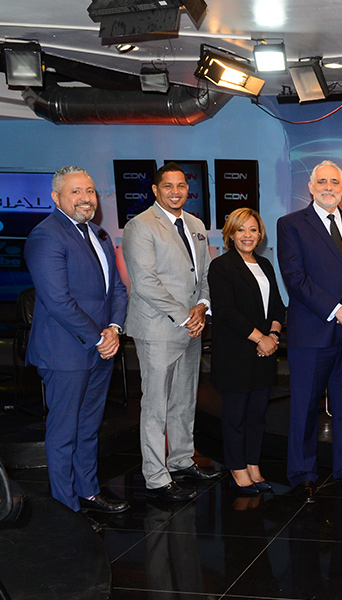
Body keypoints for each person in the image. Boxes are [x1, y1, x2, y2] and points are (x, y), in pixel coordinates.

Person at [24, 165, 129, 515]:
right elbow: (57, 301)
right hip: (65, 352)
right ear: (56, 198)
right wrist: (98, 337)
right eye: (76, 192)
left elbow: (116, 289)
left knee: (88, 428)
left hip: (101, 348)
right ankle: (65, 511)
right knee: (64, 433)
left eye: (90, 191)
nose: (86, 198)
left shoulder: (99, 233)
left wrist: (114, 328)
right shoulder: (46, 236)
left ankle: (88, 492)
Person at [277, 160, 342, 501]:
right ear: (310, 188)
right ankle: (302, 473)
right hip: (312, 333)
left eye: (334, 182)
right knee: (305, 407)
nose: (328, 187)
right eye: (321, 182)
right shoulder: (291, 224)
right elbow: (295, 279)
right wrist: (338, 311)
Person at [123, 162, 218, 502]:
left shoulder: (195, 225)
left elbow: (204, 273)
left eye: (181, 186)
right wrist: (185, 316)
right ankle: (155, 476)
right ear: (155, 190)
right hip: (158, 329)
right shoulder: (140, 225)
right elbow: (145, 282)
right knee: (156, 406)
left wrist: (202, 306)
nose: (176, 192)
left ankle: (181, 460)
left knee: (184, 400)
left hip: (192, 327)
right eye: (168, 186)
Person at [207, 208, 285, 495]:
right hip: (236, 354)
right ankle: (237, 467)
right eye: (241, 230)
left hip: (264, 352)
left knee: (257, 415)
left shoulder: (264, 264)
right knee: (236, 417)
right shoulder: (221, 266)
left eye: (253, 229)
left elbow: (277, 306)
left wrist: (273, 336)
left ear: (260, 233)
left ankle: (253, 464)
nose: (248, 235)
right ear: (230, 234)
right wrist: (260, 338)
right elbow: (226, 312)